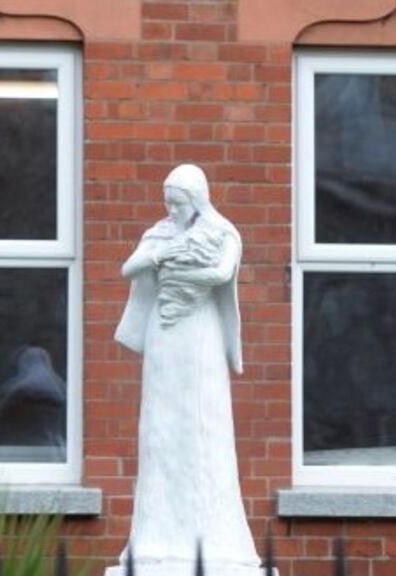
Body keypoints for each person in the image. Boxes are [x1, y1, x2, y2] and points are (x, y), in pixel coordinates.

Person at [113, 164, 260, 573]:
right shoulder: (160, 233)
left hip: (199, 333)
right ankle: (155, 537)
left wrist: (187, 274)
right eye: (167, 202)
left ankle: (212, 535)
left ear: (197, 199)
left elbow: (223, 272)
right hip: (164, 332)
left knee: (202, 425)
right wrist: (163, 254)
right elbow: (129, 267)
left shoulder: (223, 233)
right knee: (159, 429)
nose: (171, 210)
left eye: (178, 203)